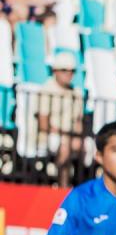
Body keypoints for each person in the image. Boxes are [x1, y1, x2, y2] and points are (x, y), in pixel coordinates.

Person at [36, 51, 85, 183]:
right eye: (64, 70)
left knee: (91, 147)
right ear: (55, 71)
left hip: (69, 136)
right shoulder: (46, 90)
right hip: (49, 135)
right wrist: (67, 135)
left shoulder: (77, 93)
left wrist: (77, 137)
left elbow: (78, 123)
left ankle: (80, 187)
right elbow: (43, 124)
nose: (69, 74)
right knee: (65, 146)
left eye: (72, 71)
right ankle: (62, 186)